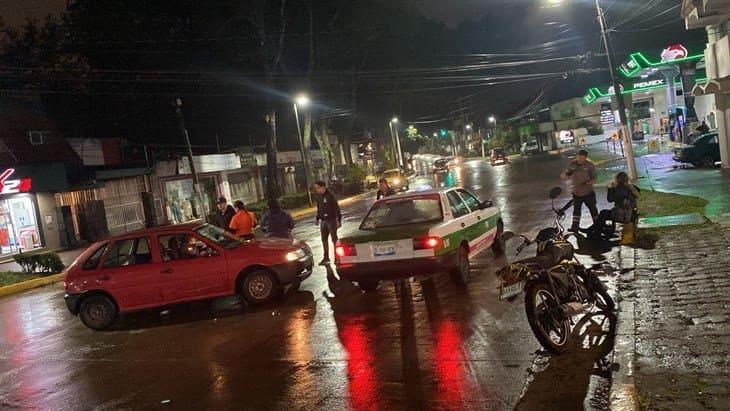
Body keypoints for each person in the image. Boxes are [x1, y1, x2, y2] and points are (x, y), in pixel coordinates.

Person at [560, 149, 598, 232]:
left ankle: (598, 225)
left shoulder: (589, 165)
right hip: (576, 192)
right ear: (577, 157)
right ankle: (575, 227)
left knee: (593, 209)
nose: (580, 160)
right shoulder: (572, 164)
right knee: (576, 210)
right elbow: (567, 173)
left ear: (585, 158)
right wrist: (564, 175)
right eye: (579, 158)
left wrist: (590, 182)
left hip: (588, 192)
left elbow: (594, 177)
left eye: (582, 158)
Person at [314, 180, 341, 265]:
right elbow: (319, 208)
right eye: (316, 188)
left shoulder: (330, 196)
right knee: (324, 240)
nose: (317, 190)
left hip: (331, 220)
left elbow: (336, 208)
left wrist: (338, 220)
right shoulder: (318, 197)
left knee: (334, 239)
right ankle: (326, 257)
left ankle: (337, 257)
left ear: (323, 187)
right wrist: (317, 218)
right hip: (323, 221)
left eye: (318, 188)